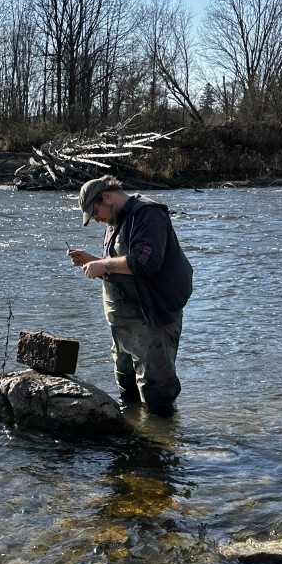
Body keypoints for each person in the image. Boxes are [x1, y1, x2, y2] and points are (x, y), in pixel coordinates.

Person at [67, 175, 193, 416]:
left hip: (152, 316)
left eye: (95, 212)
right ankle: (134, 438)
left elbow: (146, 262)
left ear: (107, 196)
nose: (96, 219)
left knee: (157, 392)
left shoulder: (148, 214)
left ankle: (162, 444)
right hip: (123, 322)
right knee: (127, 387)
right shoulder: (115, 220)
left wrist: (103, 266)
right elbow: (122, 264)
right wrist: (94, 261)